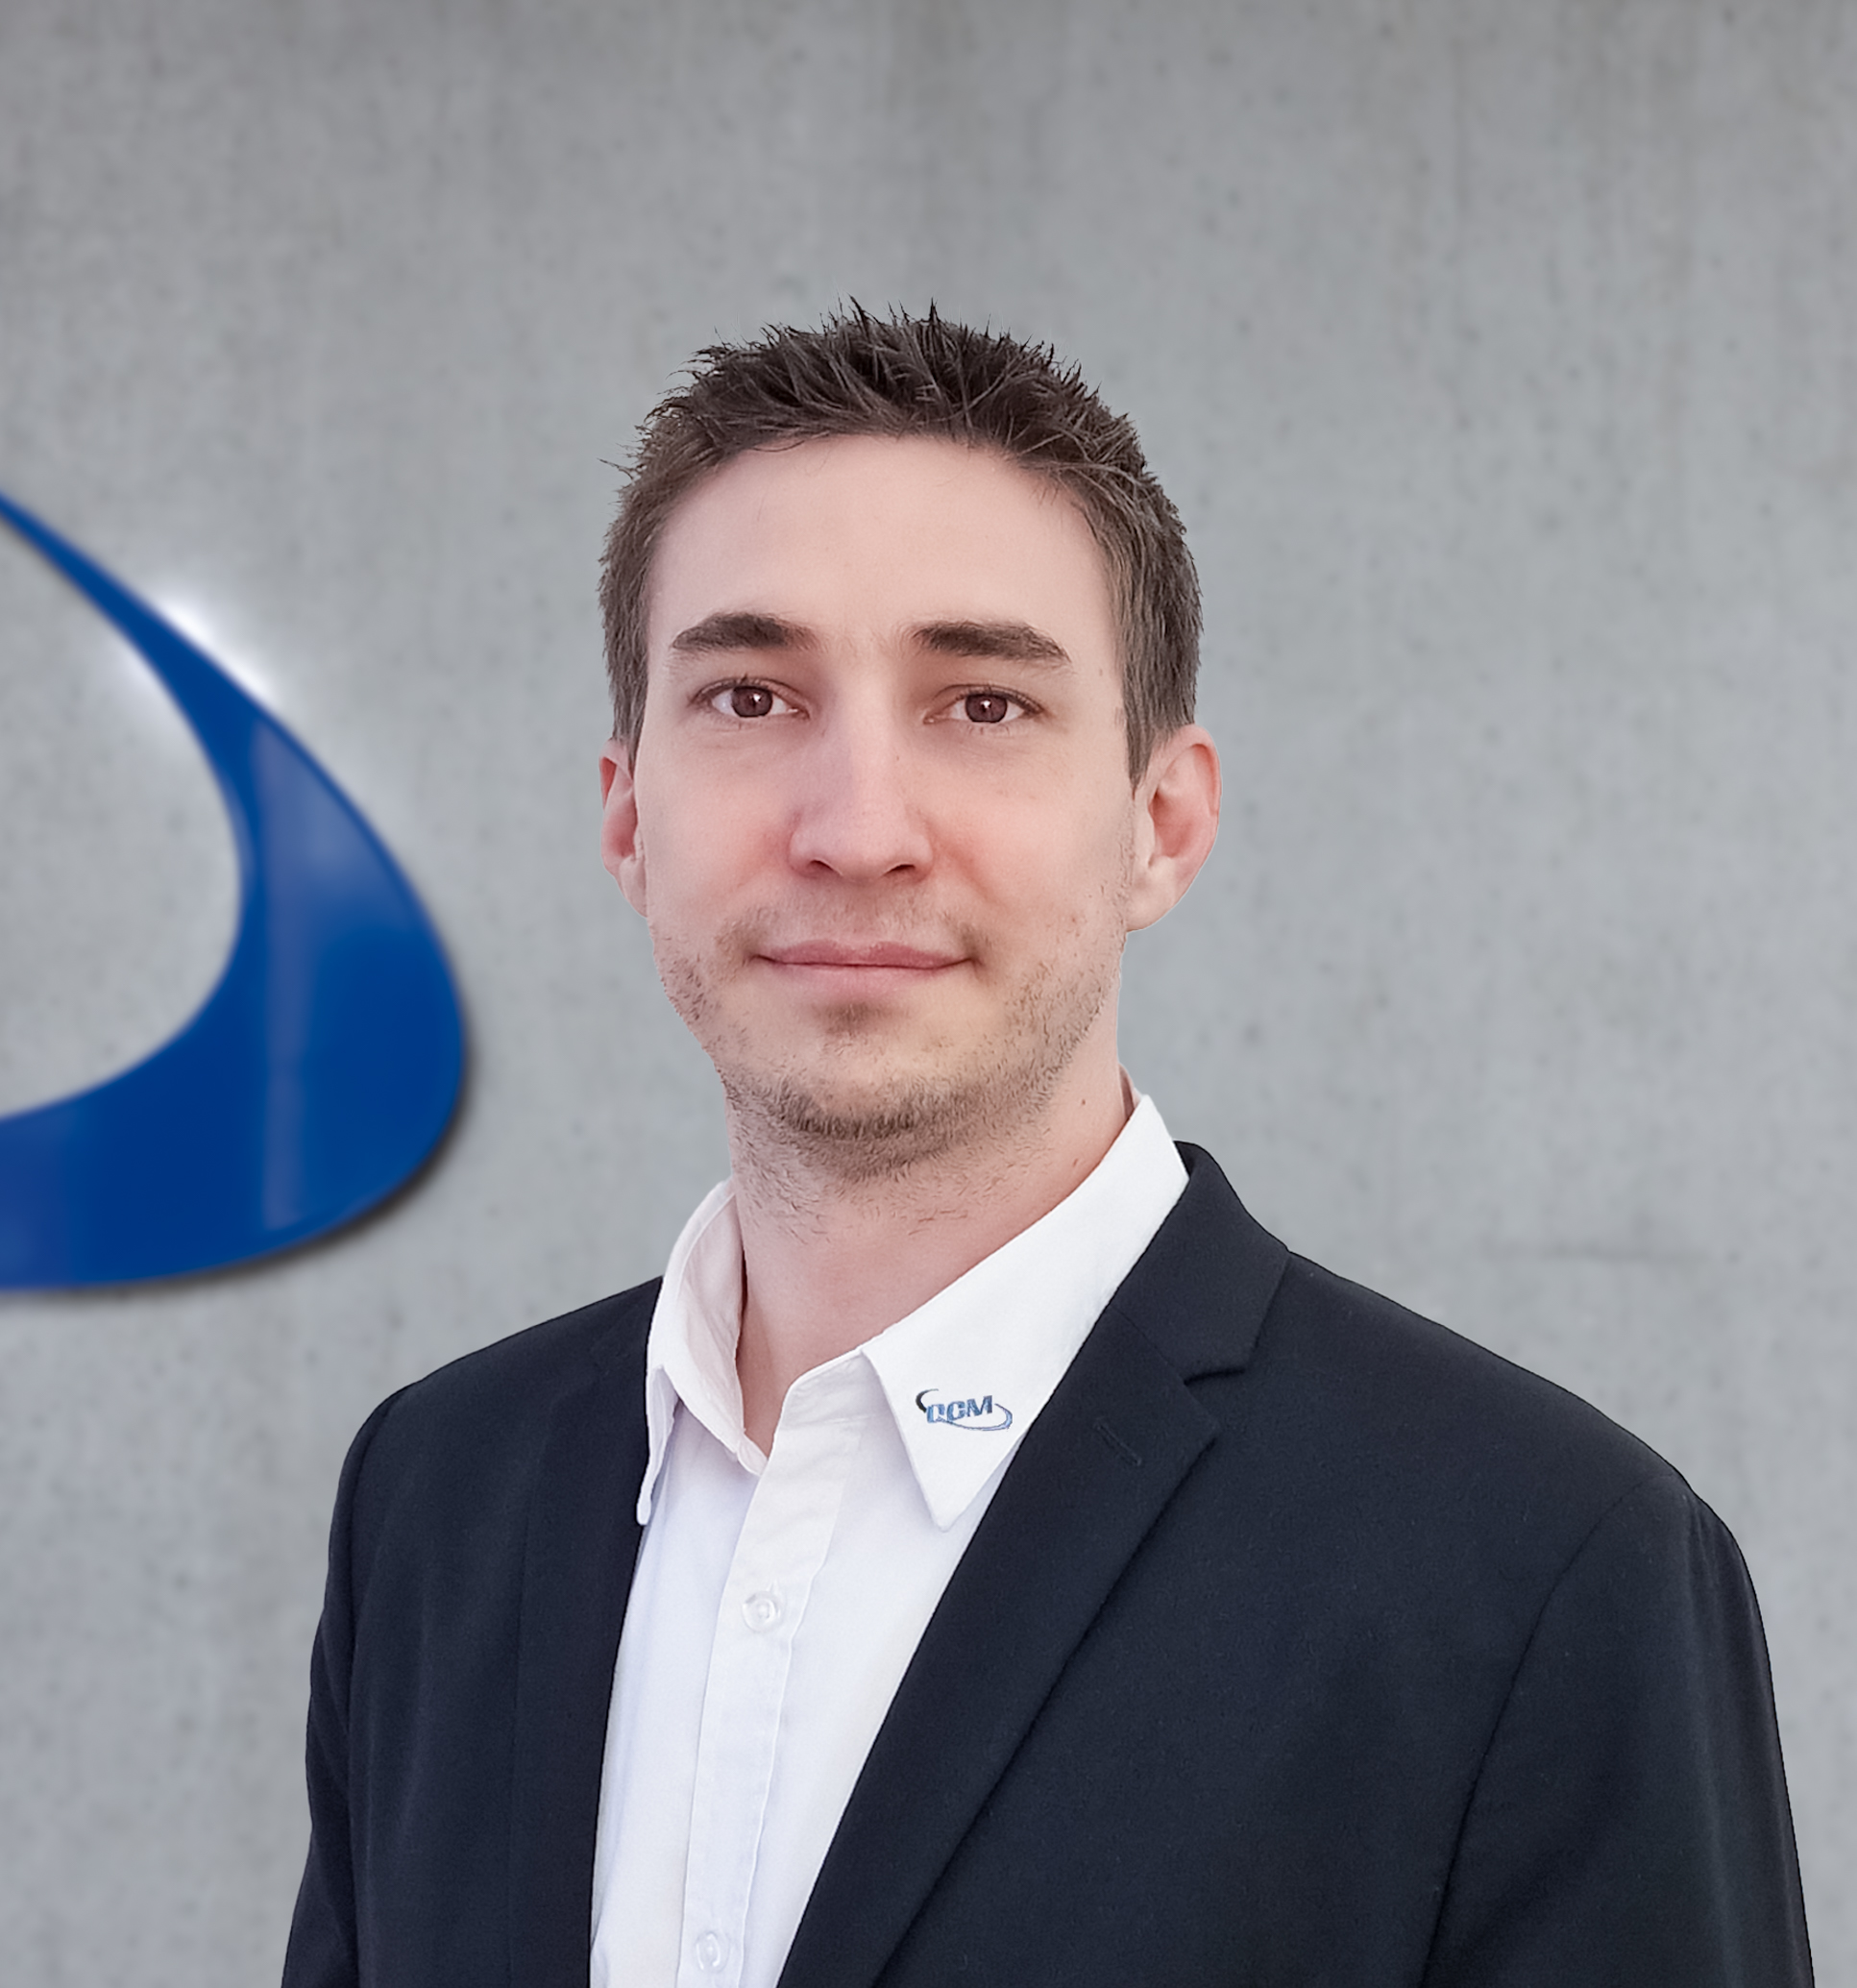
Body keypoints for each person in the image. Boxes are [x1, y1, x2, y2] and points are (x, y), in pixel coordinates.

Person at [283, 307, 1813, 1988]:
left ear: (1160, 822)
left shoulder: (1543, 1565)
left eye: (983, 703)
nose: (856, 828)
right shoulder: (436, 1495)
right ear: (628, 812)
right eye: (749, 693)